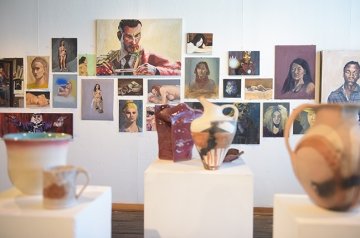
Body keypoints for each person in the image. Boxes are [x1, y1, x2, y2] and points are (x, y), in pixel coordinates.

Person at [96, 19, 181, 76]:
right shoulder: (109, 57)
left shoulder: (150, 57)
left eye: (137, 35)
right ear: (119, 36)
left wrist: (156, 70)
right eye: (129, 37)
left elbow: (179, 71)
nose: (134, 42)